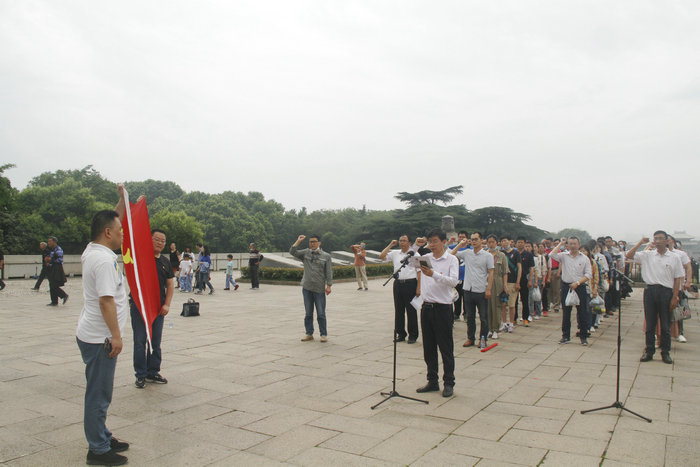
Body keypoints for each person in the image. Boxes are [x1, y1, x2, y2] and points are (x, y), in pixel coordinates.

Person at [76, 189, 130, 465]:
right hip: (101, 339)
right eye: (120, 230)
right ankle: (97, 449)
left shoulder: (93, 249)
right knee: (98, 394)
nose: (123, 234)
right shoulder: (104, 260)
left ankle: (102, 435)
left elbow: (111, 218)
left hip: (94, 334)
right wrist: (116, 337)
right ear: (108, 233)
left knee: (100, 392)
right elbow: (106, 301)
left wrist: (122, 199)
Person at [414, 228, 459, 398]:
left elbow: (454, 281)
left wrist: (434, 274)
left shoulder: (451, 259)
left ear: (444, 242)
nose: (431, 245)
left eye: (435, 241)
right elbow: (408, 260)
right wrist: (415, 246)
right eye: (429, 242)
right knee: (429, 348)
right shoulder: (425, 258)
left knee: (445, 348)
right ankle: (432, 381)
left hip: (443, 308)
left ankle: (449, 382)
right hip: (426, 307)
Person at [627, 232, 684, 364]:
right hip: (650, 291)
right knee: (650, 324)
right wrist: (640, 243)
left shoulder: (674, 257)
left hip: (666, 292)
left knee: (665, 324)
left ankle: (665, 352)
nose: (658, 241)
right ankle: (649, 350)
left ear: (667, 241)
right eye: (656, 238)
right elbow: (629, 255)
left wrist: (675, 296)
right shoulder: (648, 255)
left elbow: (677, 278)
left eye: (660, 239)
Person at [129, 228, 174, 388]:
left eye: (163, 241)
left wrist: (167, 304)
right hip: (139, 307)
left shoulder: (165, 262)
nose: (160, 243)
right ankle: (140, 374)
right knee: (140, 341)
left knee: (155, 342)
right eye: (157, 240)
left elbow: (170, 285)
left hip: (157, 308)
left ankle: (152, 371)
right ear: (150, 239)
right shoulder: (140, 258)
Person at [451, 231, 494, 349]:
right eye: (472, 239)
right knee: (470, 316)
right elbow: (451, 253)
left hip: (481, 289)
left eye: (476, 239)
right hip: (468, 289)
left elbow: (491, 272)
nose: (474, 241)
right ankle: (470, 338)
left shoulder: (487, 256)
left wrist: (489, 289)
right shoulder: (467, 253)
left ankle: (483, 339)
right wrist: (460, 244)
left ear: (481, 240)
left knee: (483, 317)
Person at [549, 237, 593, 345]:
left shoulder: (584, 258)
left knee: (582, 312)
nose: (573, 246)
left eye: (575, 244)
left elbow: (588, 274)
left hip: (579, 286)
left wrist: (577, 283)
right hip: (566, 286)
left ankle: (583, 336)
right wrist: (561, 243)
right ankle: (565, 336)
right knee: (566, 312)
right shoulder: (564, 256)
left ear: (579, 244)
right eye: (571, 244)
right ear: (568, 245)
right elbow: (552, 255)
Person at [290, 234, 333, 342]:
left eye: (314, 241)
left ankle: (323, 334)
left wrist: (329, 286)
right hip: (307, 287)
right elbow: (292, 252)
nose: (312, 243)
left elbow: (328, 272)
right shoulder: (306, 253)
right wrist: (298, 241)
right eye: (310, 242)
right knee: (308, 313)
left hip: (319, 288)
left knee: (321, 313)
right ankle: (309, 333)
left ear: (319, 243)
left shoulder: (326, 256)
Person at [380, 235, 420, 344]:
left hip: (410, 283)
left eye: (404, 241)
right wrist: (390, 245)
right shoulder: (395, 253)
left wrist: (419, 287)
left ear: (410, 243)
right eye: (400, 241)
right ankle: (401, 334)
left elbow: (419, 272)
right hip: (398, 283)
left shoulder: (415, 254)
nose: (402, 242)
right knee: (399, 310)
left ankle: (413, 335)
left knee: (411, 311)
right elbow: (382, 256)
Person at [486, 235, 508, 339]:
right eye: (489, 242)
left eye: (493, 242)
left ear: (496, 243)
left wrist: (505, 285)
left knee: (496, 306)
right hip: (486, 282)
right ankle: (489, 329)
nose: (491, 244)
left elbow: (505, 272)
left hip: (497, 282)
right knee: (487, 307)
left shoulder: (501, 255)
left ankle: (495, 329)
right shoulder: (485, 254)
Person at [447, 231, 470, 321]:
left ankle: (466, 313)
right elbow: (445, 250)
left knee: (466, 297)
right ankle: (456, 313)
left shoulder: (470, 249)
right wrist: (449, 242)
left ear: (467, 239)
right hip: (456, 277)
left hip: (467, 277)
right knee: (456, 296)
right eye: (459, 237)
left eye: (463, 237)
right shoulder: (453, 247)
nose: (461, 239)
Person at [501, 235, 521, 332]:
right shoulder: (501, 253)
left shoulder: (516, 253)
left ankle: (512, 324)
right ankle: (504, 323)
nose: (503, 243)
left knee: (512, 305)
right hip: (502, 282)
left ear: (510, 241)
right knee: (503, 304)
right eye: (502, 241)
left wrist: (518, 282)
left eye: (505, 240)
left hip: (512, 282)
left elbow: (519, 268)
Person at [515, 237, 535, 326]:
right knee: (514, 300)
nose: (520, 244)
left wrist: (530, 280)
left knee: (525, 299)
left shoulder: (528, 254)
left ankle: (525, 318)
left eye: (521, 242)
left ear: (524, 243)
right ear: (516, 243)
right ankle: (514, 319)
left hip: (524, 279)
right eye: (518, 242)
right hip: (514, 279)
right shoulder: (514, 253)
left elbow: (532, 268)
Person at [46, 236, 69, 306]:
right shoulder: (52, 250)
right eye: (48, 241)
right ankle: (54, 301)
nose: (48, 243)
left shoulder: (58, 249)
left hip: (57, 268)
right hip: (52, 267)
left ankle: (64, 295)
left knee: (54, 284)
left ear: (54, 242)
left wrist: (50, 260)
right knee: (51, 284)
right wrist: (49, 263)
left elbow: (59, 259)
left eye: (50, 241)